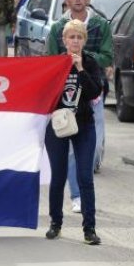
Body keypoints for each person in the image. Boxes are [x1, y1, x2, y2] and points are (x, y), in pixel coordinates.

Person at [45, 0, 113, 210]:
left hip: (92, 93)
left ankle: (80, 191)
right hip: (65, 99)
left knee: (92, 151)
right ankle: (77, 197)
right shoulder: (58, 27)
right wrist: (67, 61)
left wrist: (83, 58)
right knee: (71, 148)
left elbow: (107, 57)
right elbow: (50, 61)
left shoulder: (100, 25)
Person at [44, 19, 102, 246]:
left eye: (79, 37)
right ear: (64, 40)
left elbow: (95, 92)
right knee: (57, 177)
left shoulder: (90, 63)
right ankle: (55, 224)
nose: (75, 41)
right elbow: (43, 89)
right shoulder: (55, 62)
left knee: (85, 177)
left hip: (84, 124)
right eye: (71, 37)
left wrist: (80, 68)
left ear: (84, 41)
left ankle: (89, 229)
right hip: (59, 124)